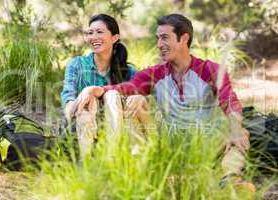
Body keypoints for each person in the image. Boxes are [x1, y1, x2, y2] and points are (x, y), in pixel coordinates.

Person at [73, 14, 256, 196]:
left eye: (165, 37)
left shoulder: (210, 69)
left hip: (205, 142)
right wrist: (95, 89)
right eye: (158, 38)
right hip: (168, 142)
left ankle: (229, 180)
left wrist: (234, 127)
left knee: (240, 130)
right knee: (133, 103)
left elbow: (230, 102)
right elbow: (127, 88)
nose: (159, 44)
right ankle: (140, 173)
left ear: (184, 38)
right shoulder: (156, 73)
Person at [60, 14, 150, 159]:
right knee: (86, 109)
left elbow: (143, 105)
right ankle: (86, 165)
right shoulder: (77, 65)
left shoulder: (129, 72)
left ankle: (116, 159)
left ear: (114, 38)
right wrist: (81, 107)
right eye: (90, 33)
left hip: (117, 132)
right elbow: (67, 101)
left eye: (99, 32)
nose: (93, 37)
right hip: (82, 130)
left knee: (114, 95)